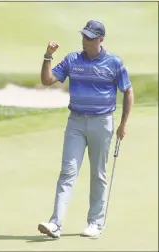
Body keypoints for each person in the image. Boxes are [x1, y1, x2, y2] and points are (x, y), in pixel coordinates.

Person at [38, 20, 134, 239]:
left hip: (102, 122)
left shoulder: (114, 63)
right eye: (84, 36)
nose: (85, 40)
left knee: (97, 173)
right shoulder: (72, 59)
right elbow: (47, 80)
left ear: (101, 39)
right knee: (67, 172)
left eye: (90, 37)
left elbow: (127, 91)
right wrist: (47, 56)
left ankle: (95, 223)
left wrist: (123, 124)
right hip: (76, 122)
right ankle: (55, 224)